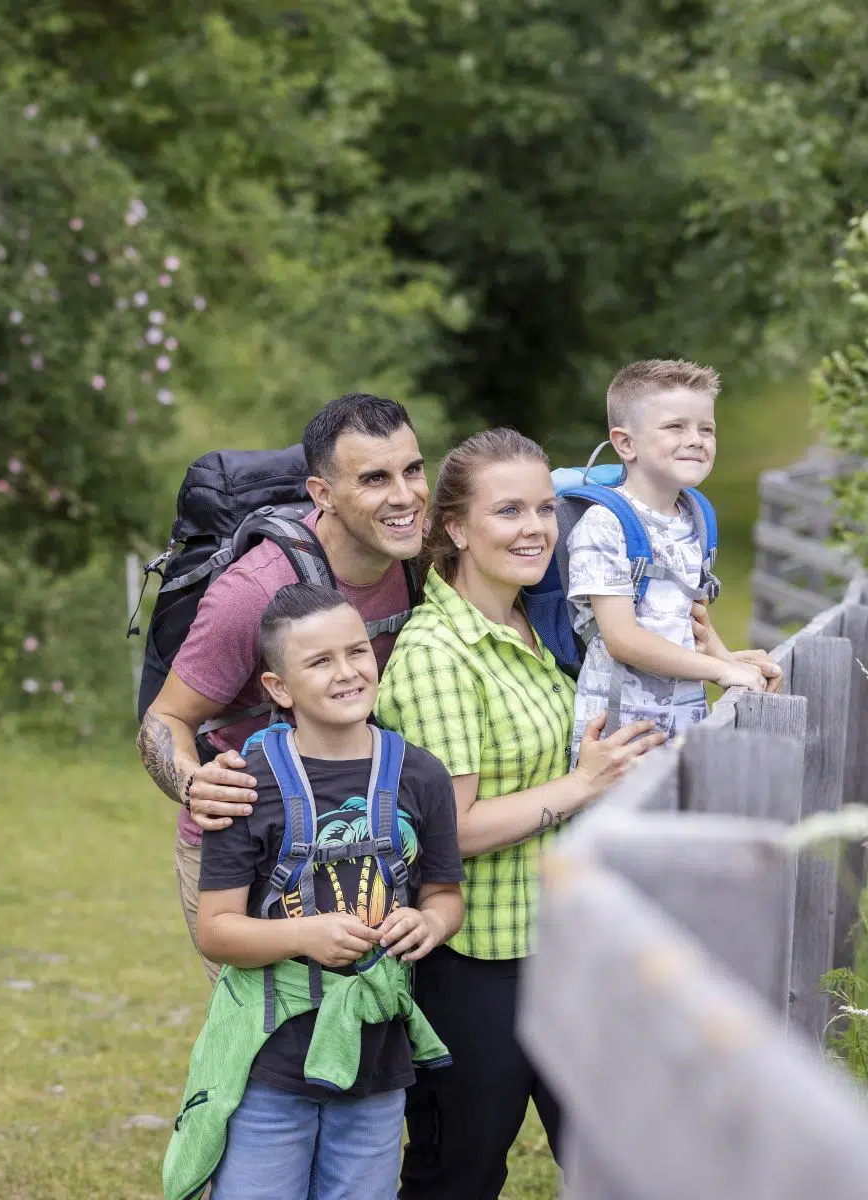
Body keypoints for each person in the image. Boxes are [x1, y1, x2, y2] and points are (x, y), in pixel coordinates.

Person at [374, 428, 668, 1200]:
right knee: (459, 1174)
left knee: (619, 1159)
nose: (535, 527)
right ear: (456, 529)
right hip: (475, 963)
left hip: (559, 942)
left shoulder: (530, 623)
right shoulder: (440, 653)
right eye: (508, 510)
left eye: (545, 507)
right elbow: (450, 832)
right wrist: (579, 787)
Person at [165, 583, 465, 1200]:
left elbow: (443, 896)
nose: (348, 671)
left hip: (378, 1068)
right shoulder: (244, 784)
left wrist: (431, 925)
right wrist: (305, 935)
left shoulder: (422, 775)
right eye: (319, 661)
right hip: (270, 1066)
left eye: (357, 651)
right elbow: (216, 930)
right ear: (278, 688)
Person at [138, 393, 429, 980]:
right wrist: (197, 785)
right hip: (251, 853)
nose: (405, 496)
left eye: (413, 469)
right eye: (374, 478)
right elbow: (164, 719)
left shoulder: (418, 557)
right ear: (322, 495)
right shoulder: (255, 590)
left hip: (359, 835)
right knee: (270, 1046)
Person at [566, 358, 781, 760]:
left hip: (686, 729)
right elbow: (623, 639)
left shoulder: (695, 518)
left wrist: (727, 659)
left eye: (706, 428)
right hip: (621, 737)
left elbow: (691, 618)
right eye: (675, 427)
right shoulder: (605, 525)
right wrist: (720, 671)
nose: (696, 439)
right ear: (625, 443)